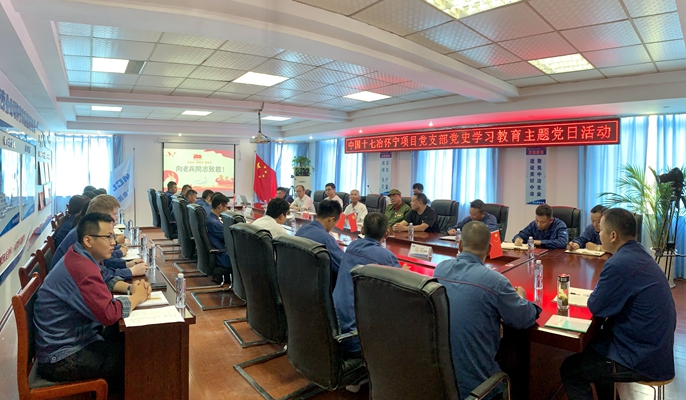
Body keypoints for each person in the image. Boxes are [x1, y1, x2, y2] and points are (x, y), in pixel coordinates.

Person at [560, 208, 676, 400]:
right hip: (655, 347)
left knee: (570, 369)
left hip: (641, 357)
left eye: (601, 230)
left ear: (613, 236)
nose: (598, 234)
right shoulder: (639, 252)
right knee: (594, 349)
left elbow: (596, 307)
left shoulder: (619, 263)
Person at [34, 212, 151, 390]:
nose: (114, 242)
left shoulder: (81, 255)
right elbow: (108, 314)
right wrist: (137, 297)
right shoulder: (81, 268)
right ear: (88, 240)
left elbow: (104, 279)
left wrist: (131, 289)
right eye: (108, 237)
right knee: (138, 359)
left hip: (73, 339)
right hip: (62, 356)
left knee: (130, 340)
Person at [433, 221, 541, 400]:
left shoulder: (440, 269)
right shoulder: (495, 282)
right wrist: (521, 298)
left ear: (460, 245)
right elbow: (523, 318)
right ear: (490, 249)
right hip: (477, 387)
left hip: (440, 380)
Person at [333, 212, 399, 354]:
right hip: (357, 337)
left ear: (362, 230)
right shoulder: (386, 257)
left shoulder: (351, 246)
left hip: (334, 326)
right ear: (386, 233)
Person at [51, 195, 148, 278]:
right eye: (114, 214)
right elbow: (100, 274)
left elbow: (102, 264)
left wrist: (126, 264)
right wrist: (130, 272)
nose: (116, 218)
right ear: (103, 216)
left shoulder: (85, 230)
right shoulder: (83, 236)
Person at [295, 200, 344, 274]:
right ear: (331, 219)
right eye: (336, 223)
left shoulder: (301, 230)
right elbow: (343, 266)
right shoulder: (326, 239)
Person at [206, 193, 232, 281]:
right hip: (222, 255)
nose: (227, 209)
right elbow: (229, 238)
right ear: (220, 206)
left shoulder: (210, 218)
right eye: (226, 207)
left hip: (220, 252)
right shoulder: (214, 223)